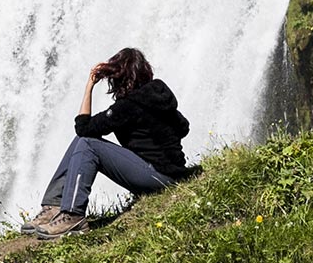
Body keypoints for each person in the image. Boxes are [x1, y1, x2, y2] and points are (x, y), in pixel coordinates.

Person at [24, 47, 189, 239]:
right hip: (172, 174)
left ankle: (72, 214)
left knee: (86, 143)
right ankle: (54, 206)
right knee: (83, 141)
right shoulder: (159, 99)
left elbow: (83, 127)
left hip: (159, 179)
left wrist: (89, 87)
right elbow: (184, 127)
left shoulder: (128, 106)